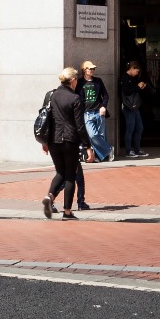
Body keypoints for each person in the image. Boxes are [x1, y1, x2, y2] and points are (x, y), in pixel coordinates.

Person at [40, 67, 87, 219]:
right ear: (73, 80)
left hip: (53, 140)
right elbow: (79, 125)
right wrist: (87, 145)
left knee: (60, 172)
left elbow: (45, 118)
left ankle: (50, 197)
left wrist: (45, 141)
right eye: (76, 80)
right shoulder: (75, 98)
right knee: (70, 176)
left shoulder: (52, 95)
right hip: (69, 140)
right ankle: (67, 211)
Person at [76, 60, 112, 162]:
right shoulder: (80, 82)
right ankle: (109, 150)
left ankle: (99, 157)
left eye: (93, 69)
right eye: (90, 69)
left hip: (99, 111)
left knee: (101, 135)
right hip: (87, 112)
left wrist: (103, 106)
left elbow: (105, 95)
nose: (92, 70)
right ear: (84, 70)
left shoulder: (98, 81)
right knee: (92, 136)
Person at [118, 59, 149, 158]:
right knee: (130, 128)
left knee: (139, 127)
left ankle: (137, 149)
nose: (137, 73)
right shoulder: (125, 78)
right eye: (136, 71)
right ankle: (128, 150)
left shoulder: (132, 78)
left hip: (134, 106)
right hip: (128, 106)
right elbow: (126, 91)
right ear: (132, 69)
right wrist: (138, 87)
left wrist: (140, 87)